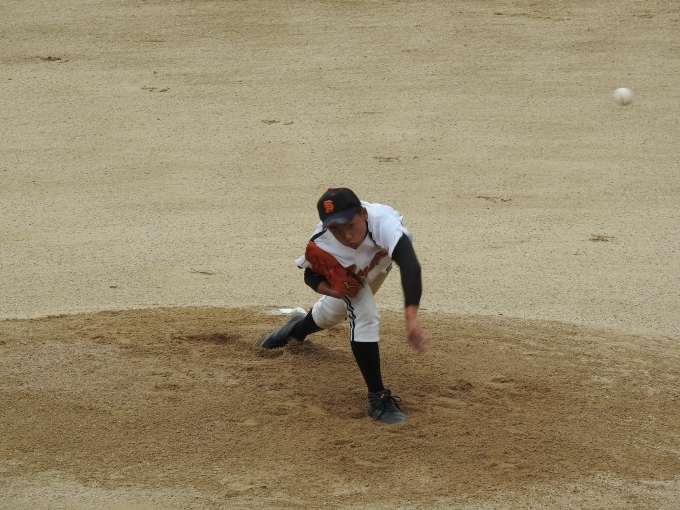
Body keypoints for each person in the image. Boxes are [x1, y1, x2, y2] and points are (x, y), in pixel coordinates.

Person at [255, 188, 429, 424]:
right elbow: (310, 275)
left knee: (332, 314)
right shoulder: (323, 242)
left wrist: (411, 317)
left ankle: (295, 330)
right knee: (364, 313)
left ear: (363, 214)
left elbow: (410, 265)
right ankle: (377, 397)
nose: (346, 235)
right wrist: (332, 291)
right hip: (352, 276)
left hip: (380, 263)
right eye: (336, 229)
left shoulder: (383, 222)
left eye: (350, 225)